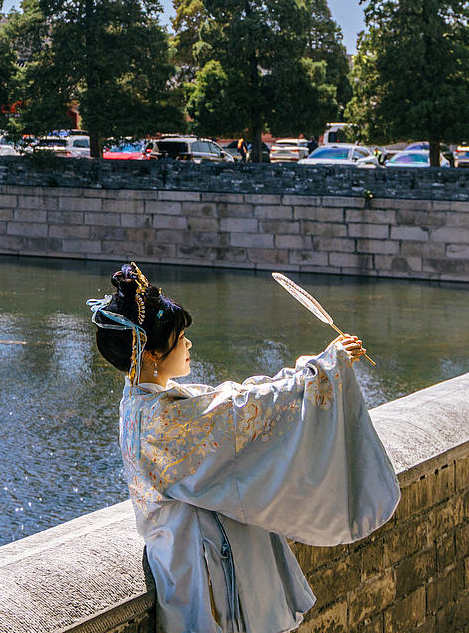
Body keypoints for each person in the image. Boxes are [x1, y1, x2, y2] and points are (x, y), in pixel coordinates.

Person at [90, 263, 399, 633]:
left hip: (184, 553)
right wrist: (322, 370)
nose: (188, 344)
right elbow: (243, 412)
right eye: (180, 336)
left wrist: (315, 370)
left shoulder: (142, 403)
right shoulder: (162, 420)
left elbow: (232, 399)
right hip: (202, 567)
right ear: (153, 353)